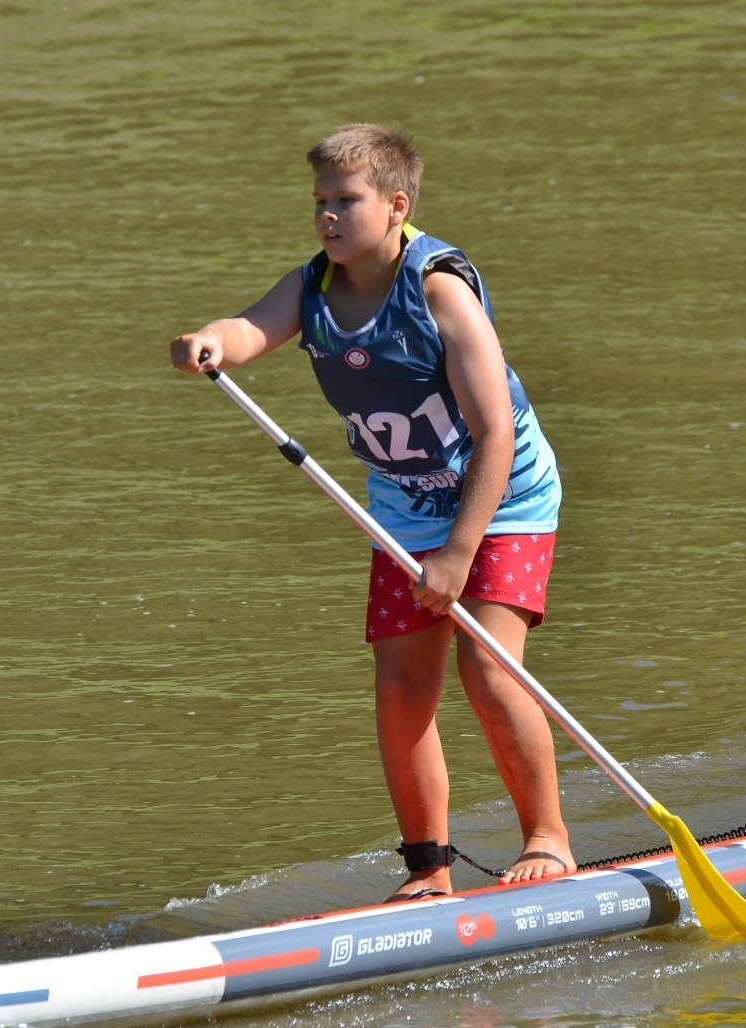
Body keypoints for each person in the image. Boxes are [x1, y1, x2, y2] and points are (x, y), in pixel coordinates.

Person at [169, 124, 574, 900]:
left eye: (345, 201)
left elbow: (492, 434)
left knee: (488, 668)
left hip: (505, 497)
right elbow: (251, 327)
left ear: (395, 207)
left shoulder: (439, 290)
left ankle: (548, 840)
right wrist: (209, 340)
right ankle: (428, 868)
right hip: (403, 509)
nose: (327, 216)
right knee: (399, 687)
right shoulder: (314, 285)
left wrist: (459, 554)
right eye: (319, 201)